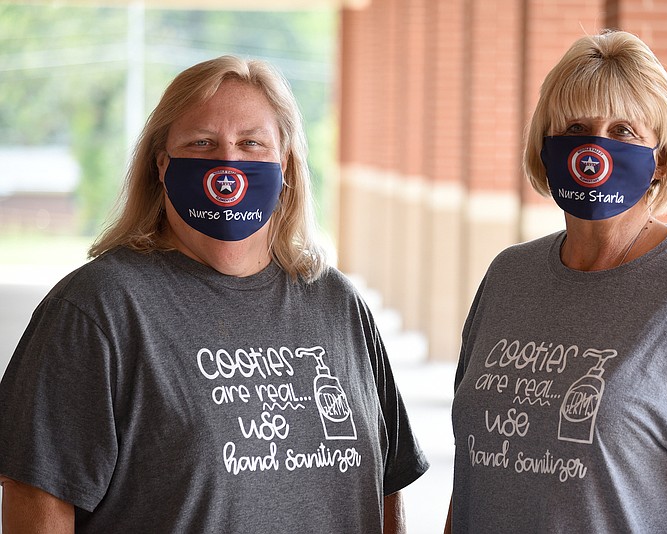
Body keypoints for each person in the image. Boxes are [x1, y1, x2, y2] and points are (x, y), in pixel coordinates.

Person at [0, 55, 428, 533]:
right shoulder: (97, 311)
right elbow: (38, 502)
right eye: (201, 143)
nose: (228, 164)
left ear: (284, 164)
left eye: (251, 143)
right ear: (161, 164)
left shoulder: (337, 304)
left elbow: (387, 490)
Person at [445, 30, 667, 533]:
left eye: (624, 130)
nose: (596, 147)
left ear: (660, 159)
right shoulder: (509, 276)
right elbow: (475, 472)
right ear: (545, 147)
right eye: (575, 125)